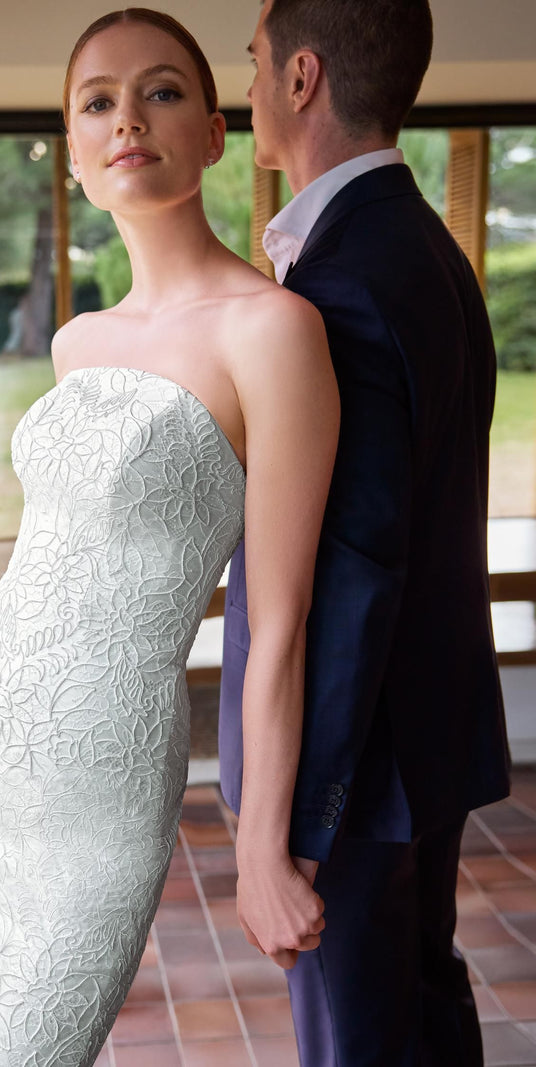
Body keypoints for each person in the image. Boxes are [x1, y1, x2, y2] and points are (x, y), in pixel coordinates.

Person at [0, 9, 339, 1065]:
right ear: (73, 158)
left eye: (161, 91)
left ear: (214, 131)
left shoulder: (273, 330)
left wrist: (258, 840)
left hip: (97, 773)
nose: (126, 118)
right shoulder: (75, 340)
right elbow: (69, 523)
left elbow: (276, 618)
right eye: (96, 102)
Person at [219, 0, 512, 1063]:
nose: (240, 87)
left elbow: (344, 577)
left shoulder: (341, 282)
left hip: (354, 770)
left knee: (359, 1042)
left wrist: (283, 828)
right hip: (422, 742)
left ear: (301, 78)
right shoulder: (427, 251)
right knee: (419, 1013)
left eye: (251, 64)